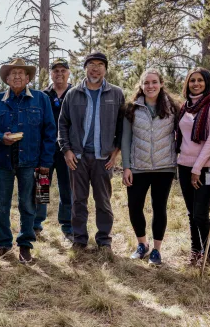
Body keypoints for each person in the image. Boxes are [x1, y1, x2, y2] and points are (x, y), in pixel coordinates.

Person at [0, 59, 57, 263]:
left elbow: (50, 132)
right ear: (6, 78)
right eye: (12, 73)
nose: (16, 76)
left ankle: (25, 245)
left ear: (28, 78)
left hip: (31, 161)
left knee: (29, 203)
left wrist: (46, 162)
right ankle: (4, 243)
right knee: (2, 205)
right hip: (3, 162)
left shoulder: (41, 99)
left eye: (21, 73)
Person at [58, 52, 125, 252]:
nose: (95, 68)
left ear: (105, 69)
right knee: (78, 200)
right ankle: (79, 239)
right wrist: (67, 150)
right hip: (77, 157)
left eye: (99, 65)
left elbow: (122, 127)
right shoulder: (73, 94)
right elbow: (63, 124)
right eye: (91, 65)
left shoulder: (116, 93)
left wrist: (116, 153)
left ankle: (104, 240)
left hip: (102, 158)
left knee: (103, 200)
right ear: (85, 68)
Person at [121, 69, 180, 266]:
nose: (150, 86)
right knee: (134, 206)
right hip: (138, 166)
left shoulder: (172, 107)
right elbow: (126, 139)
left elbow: (181, 135)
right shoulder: (132, 108)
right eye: (146, 83)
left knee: (159, 208)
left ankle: (156, 250)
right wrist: (126, 167)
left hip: (164, 167)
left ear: (161, 84)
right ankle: (142, 244)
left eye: (154, 82)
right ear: (141, 85)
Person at [176, 68, 210, 268]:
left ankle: (209, 255)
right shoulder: (184, 107)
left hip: (208, 168)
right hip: (184, 165)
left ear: (207, 82)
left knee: (201, 213)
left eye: (200, 80)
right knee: (191, 211)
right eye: (192, 80)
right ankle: (196, 251)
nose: (196, 84)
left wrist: (197, 168)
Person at [37, 59, 74, 241]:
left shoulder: (75, 94)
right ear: (50, 74)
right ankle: (36, 224)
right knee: (42, 187)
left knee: (68, 188)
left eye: (63, 70)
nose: (59, 73)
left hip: (68, 150)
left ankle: (67, 226)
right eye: (55, 71)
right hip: (45, 150)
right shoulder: (43, 95)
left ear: (69, 73)